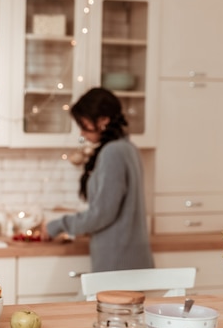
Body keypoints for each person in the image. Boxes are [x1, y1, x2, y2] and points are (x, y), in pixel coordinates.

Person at [43, 87, 154, 272]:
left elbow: (102, 214)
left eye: (83, 124)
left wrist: (58, 225)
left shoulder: (113, 152)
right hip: (132, 260)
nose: (82, 134)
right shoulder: (129, 148)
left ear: (103, 120)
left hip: (118, 262)